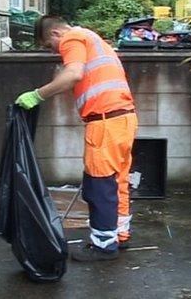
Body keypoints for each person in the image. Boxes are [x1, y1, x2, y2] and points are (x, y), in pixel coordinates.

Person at [15, 16, 138, 262]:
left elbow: (73, 75)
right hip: (123, 119)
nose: (56, 52)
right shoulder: (95, 39)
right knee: (118, 181)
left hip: (104, 123)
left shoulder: (71, 38)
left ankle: (103, 245)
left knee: (100, 185)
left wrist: (38, 95)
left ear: (54, 34)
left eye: (50, 46)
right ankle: (119, 234)